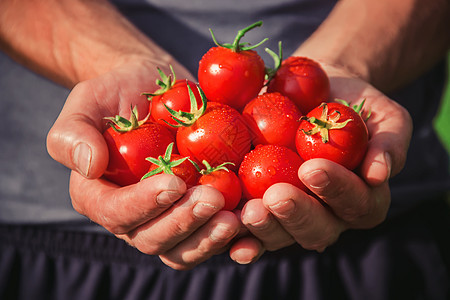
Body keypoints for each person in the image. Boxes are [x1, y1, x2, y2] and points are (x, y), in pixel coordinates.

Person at [0, 0, 449, 299]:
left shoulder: (293, 118)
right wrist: (112, 62)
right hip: (55, 250)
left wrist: (347, 68)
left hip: (372, 249)